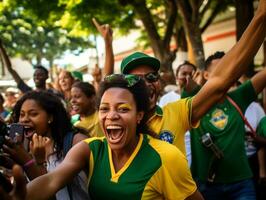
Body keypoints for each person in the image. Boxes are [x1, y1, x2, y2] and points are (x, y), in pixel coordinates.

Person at [0, 74, 204, 200]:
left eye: (123, 109)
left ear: (139, 116)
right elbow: (52, 180)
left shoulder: (166, 157)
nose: (111, 115)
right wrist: (21, 196)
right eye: (104, 109)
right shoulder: (89, 149)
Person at [119, 0, 266, 155]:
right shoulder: (114, 123)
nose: (145, 83)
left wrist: (261, 16)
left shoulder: (175, 112)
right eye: (134, 79)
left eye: (151, 76)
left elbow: (221, 81)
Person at [180, 50, 266, 199]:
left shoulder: (239, 97)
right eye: (221, 70)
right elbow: (188, 90)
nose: (227, 74)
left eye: (230, 69)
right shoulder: (195, 100)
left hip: (241, 185)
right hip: (206, 187)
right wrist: (195, 83)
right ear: (206, 75)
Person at [1, 91, 89, 200]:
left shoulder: (76, 142)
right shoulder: (24, 144)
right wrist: (15, 167)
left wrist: (31, 162)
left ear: (50, 117)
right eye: (22, 114)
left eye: (33, 114)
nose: (24, 119)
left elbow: (48, 191)